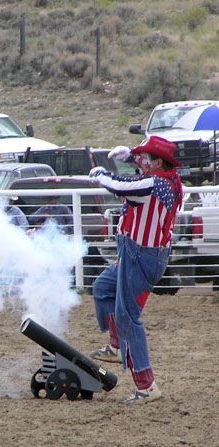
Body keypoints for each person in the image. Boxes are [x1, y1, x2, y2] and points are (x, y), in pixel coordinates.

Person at [88, 135, 183, 404]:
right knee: (103, 289)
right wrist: (130, 156)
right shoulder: (169, 179)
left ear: (158, 162)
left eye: (145, 158)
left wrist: (100, 174)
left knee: (128, 318)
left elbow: (119, 185)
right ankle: (117, 347)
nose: (140, 161)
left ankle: (146, 384)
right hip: (138, 252)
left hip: (141, 255)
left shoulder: (153, 184)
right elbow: (141, 174)